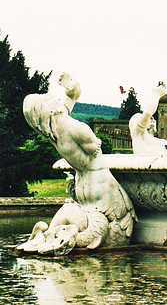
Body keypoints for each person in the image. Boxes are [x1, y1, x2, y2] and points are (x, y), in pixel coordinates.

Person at [19, 73, 136, 255]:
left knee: (70, 212)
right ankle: (71, 235)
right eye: (45, 98)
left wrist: (71, 87)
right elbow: (95, 146)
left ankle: (48, 233)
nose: (49, 96)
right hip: (100, 185)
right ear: (46, 109)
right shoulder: (76, 128)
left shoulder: (56, 134)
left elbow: (70, 99)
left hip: (82, 184)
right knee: (109, 226)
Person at [129, 84, 167, 155]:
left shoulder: (149, 137)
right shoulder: (137, 131)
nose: (150, 120)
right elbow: (147, 113)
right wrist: (156, 94)